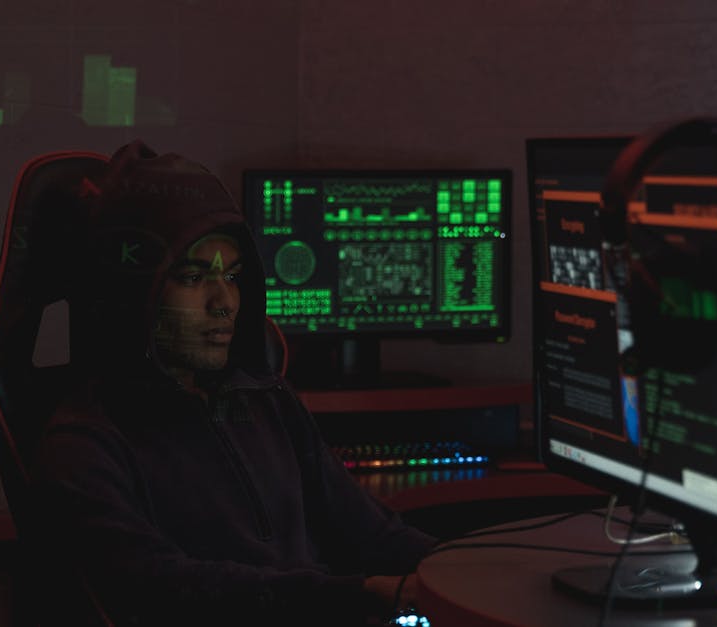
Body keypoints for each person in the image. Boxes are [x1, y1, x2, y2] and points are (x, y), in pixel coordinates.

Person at [32, 140, 437, 627]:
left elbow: (373, 535)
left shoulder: (266, 399)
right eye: (194, 277)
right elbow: (155, 589)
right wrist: (363, 594)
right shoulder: (85, 442)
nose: (224, 302)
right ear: (135, 292)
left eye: (235, 277)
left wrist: (484, 566)